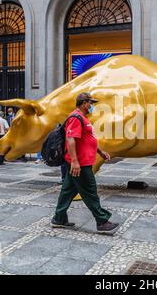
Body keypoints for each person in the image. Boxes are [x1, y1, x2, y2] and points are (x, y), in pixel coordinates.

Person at [52, 92, 119, 233]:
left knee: (67, 191)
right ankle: (102, 221)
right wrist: (75, 162)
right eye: (91, 103)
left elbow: (89, 138)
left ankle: (59, 218)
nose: (92, 106)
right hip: (80, 163)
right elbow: (70, 139)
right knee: (90, 191)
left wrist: (100, 152)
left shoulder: (83, 118)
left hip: (82, 161)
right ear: (84, 103)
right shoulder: (75, 118)